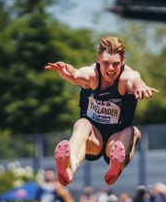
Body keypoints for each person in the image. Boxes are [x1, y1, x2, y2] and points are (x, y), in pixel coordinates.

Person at [45, 36, 158, 186]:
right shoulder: (92, 74)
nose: (111, 69)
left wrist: (141, 87)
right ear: (98, 58)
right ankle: (68, 168)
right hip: (94, 137)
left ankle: (116, 166)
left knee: (134, 131)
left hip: (116, 140)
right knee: (82, 124)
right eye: (106, 63)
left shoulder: (126, 76)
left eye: (116, 64)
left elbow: (135, 80)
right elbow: (77, 75)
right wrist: (67, 70)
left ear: (123, 60)